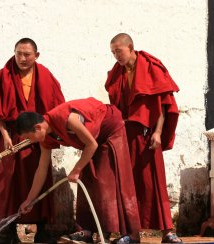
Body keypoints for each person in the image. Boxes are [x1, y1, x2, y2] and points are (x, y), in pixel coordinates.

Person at [16, 97, 141, 244]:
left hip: (110, 130)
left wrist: (76, 169)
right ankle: (87, 231)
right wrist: (30, 200)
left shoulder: (67, 118)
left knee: (105, 181)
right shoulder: (45, 139)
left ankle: (129, 235)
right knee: (87, 180)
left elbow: (92, 145)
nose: (31, 142)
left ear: (37, 128)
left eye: (29, 138)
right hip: (92, 141)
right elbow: (41, 169)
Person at [105, 33, 181, 243]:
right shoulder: (116, 73)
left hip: (148, 134)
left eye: (118, 51)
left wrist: (158, 132)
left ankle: (168, 231)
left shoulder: (150, 67)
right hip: (126, 134)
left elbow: (164, 104)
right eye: (113, 52)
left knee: (155, 182)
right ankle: (132, 233)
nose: (116, 56)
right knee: (128, 183)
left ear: (130, 47)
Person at [0, 37, 65, 243]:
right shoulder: (3, 76)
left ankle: (41, 228)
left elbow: (57, 108)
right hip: (13, 139)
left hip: (38, 139)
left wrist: (46, 134)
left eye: (27, 54)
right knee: (9, 183)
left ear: (36, 56)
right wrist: (5, 137)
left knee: (37, 178)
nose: (22, 58)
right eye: (18, 53)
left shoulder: (46, 76)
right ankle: (8, 230)